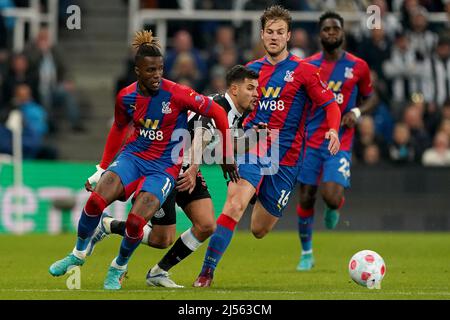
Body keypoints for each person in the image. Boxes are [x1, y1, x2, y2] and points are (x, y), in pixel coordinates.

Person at [48, 30, 238, 290]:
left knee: (138, 222)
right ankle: (78, 254)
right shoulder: (126, 97)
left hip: (164, 168)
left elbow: (216, 111)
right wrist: (101, 168)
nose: (157, 75)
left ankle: (118, 267)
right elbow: (118, 128)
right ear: (137, 71)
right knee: (95, 200)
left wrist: (226, 154)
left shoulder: (177, 93)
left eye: (160, 69)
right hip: (133, 157)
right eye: (150, 70)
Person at [193, 5, 341, 288]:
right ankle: (206, 273)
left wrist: (333, 128)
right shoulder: (251, 72)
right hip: (253, 147)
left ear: (289, 36)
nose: (274, 37)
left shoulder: (305, 72)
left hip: (287, 159)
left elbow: (330, 104)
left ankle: (255, 192)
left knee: (259, 229)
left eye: (280, 32)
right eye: (269, 32)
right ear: (262, 35)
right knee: (234, 204)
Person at [84, 65, 259, 288]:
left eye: (257, 88)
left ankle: (157, 271)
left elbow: (223, 143)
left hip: (185, 166)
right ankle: (107, 228)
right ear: (234, 89)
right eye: (251, 88)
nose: (256, 93)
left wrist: (251, 140)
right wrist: (194, 167)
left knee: (204, 226)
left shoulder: (237, 115)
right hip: (166, 166)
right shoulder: (218, 106)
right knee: (161, 238)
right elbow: (202, 135)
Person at [295, 12, 377, 271]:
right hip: (310, 140)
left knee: (330, 195)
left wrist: (356, 112)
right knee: (306, 196)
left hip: (340, 141)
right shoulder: (307, 66)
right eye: (326, 29)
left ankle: (334, 205)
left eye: (335, 29)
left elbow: (372, 97)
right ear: (319, 34)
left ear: (342, 33)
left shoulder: (358, 66)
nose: (331, 33)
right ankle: (306, 253)